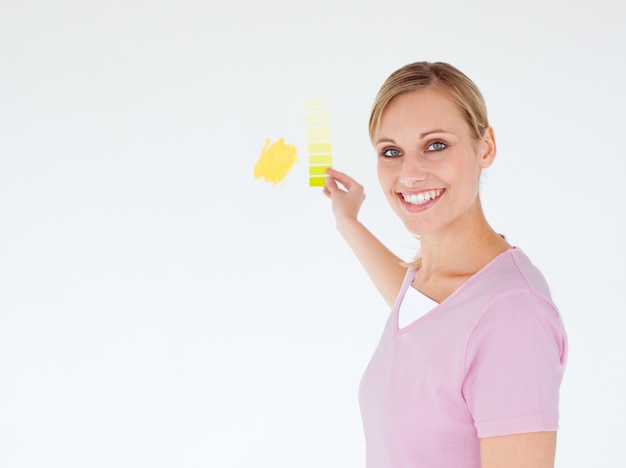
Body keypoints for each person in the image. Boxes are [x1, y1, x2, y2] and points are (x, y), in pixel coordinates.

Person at [323, 61, 568, 468]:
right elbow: (427, 324)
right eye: (391, 152)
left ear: (485, 147)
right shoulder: (436, 286)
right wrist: (349, 222)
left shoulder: (513, 315)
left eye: (435, 145)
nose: (410, 172)